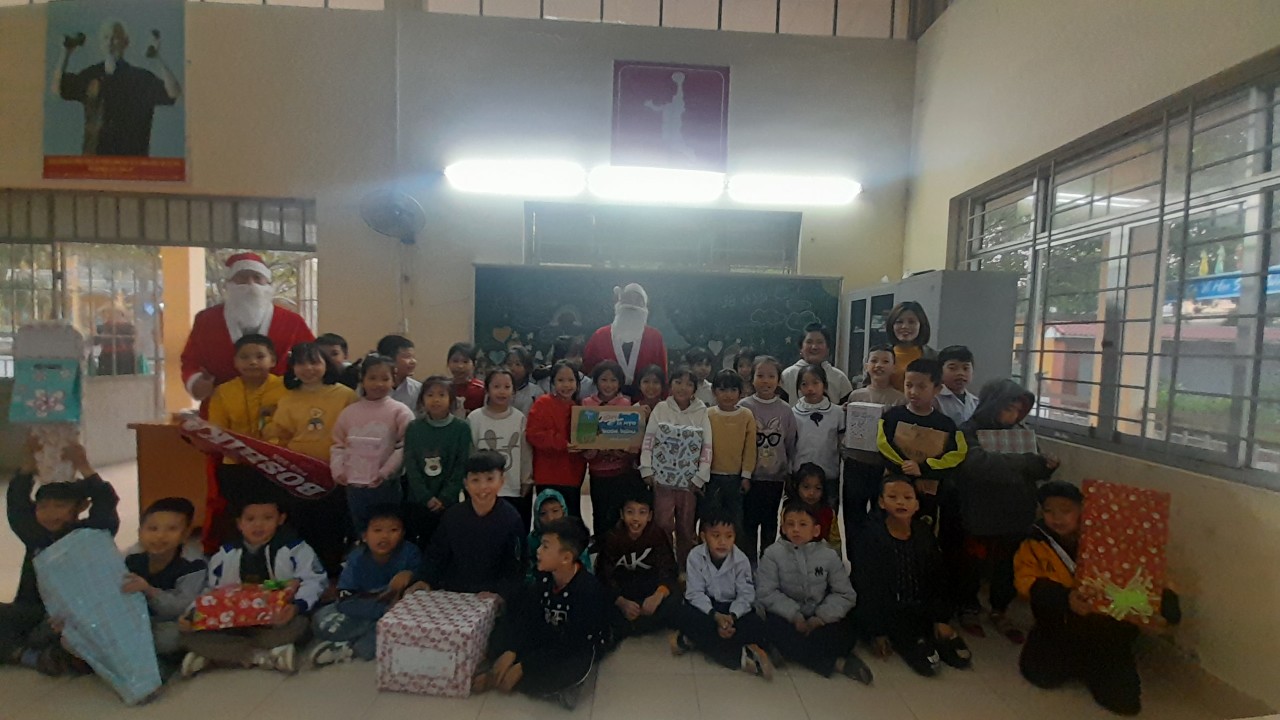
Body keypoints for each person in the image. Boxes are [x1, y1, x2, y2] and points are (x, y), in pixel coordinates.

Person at [1015, 481, 1180, 715]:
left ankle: (1096, 666)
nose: (1057, 518)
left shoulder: (1113, 540)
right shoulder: (1035, 543)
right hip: (1060, 626)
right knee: (1039, 674)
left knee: (1126, 703)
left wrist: (1163, 601)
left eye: (1066, 510)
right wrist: (1065, 598)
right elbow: (1025, 582)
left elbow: (1146, 578)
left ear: (1083, 510)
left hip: (1105, 633)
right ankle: (1071, 660)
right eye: (1049, 511)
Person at [1, 440, 118, 675]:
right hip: (33, 610)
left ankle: (41, 653)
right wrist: (27, 465)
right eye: (43, 506)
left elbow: (106, 504)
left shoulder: (90, 534)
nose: (50, 514)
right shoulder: (36, 535)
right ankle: (30, 656)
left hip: (73, 617)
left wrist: (84, 466)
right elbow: (17, 504)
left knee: (83, 636)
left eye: (60, 505)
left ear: (81, 507)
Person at [956, 379, 1059, 642]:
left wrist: (1046, 466)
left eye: (1018, 410)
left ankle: (1000, 610)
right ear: (993, 405)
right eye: (1008, 408)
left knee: (1007, 567)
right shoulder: (969, 430)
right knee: (973, 565)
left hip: (1015, 514)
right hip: (980, 514)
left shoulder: (1021, 432)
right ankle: (968, 608)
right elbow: (977, 463)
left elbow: (1035, 468)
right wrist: (1023, 463)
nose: (1013, 415)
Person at [179, 494, 327, 677]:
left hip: (276, 620)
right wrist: (191, 613)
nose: (258, 525)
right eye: (250, 519)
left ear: (281, 519)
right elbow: (211, 590)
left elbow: (314, 580)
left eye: (267, 518)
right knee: (188, 634)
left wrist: (297, 606)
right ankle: (261, 654)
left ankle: (221, 655)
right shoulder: (226, 554)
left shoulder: (295, 549)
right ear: (239, 523)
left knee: (301, 625)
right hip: (232, 622)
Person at [480, 518, 609, 707]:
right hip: (546, 636)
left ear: (566, 558)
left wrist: (524, 667)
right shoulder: (544, 578)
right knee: (504, 628)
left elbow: (572, 644)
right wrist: (512, 651)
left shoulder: (587, 591)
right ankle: (503, 671)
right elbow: (528, 619)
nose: (538, 551)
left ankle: (507, 678)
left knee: (565, 670)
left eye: (546, 547)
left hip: (573, 646)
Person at [854, 476, 970, 677]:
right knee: (928, 664)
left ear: (916, 504)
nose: (901, 502)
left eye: (908, 498)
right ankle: (911, 639)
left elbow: (938, 578)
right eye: (893, 497)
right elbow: (866, 587)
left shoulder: (924, 533)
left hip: (921, 608)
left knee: (959, 657)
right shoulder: (871, 536)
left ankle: (931, 632)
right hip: (890, 612)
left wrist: (940, 618)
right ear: (881, 502)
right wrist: (877, 631)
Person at [877, 358, 968, 610]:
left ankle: (919, 593)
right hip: (893, 489)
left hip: (927, 496)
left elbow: (957, 455)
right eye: (909, 385)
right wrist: (904, 466)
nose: (913, 392)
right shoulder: (892, 416)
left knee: (922, 539)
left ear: (937, 388)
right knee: (888, 536)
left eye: (921, 386)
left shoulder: (945, 425)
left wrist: (924, 468)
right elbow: (883, 444)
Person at [263, 342, 357, 574]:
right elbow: (280, 436)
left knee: (334, 526)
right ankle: (305, 575)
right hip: (299, 476)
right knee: (303, 526)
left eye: (314, 362)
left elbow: (355, 432)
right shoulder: (288, 398)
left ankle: (332, 575)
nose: (308, 369)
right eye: (301, 363)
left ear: (326, 364)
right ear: (293, 368)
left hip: (336, 474)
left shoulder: (345, 395)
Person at [757, 502, 871, 682]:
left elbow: (845, 594)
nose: (796, 529)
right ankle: (836, 663)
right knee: (771, 628)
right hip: (787, 618)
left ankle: (795, 652)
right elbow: (766, 592)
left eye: (803, 524)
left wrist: (821, 617)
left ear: (816, 530)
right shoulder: (772, 554)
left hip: (819, 616)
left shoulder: (829, 555)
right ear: (783, 528)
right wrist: (794, 615)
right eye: (790, 524)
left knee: (847, 632)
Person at [180, 252, 314, 403]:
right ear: (229, 284)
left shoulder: (291, 321)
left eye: (257, 278)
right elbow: (190, 360)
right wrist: (195, 381)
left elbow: (312, 357)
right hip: (222, 404)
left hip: (280, 405)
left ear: (268, 284)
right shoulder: (207, 320)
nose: (251, 285)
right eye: (242, 278)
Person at [309, 505, 421, 667]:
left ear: (402, 534)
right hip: (365, 608)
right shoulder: (356, 558)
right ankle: (357, 637)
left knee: (396, 627)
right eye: (377, 530)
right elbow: (345, 599)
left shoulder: (410, 553)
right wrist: (380, 610)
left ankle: (349, 648)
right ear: (365, 536)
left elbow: (423, 583)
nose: (385, 536)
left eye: (393, 530)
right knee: (322, 620)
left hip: (397, 612)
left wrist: (411, 575)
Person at [52, 19, 181, 156]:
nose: (109, 42)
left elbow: (174, 93)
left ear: (126, 42)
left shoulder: (140, 78)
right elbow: (57, 89)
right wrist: (65, 53)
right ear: (100, 43)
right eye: (105, 37)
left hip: (131, 159)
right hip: (95, 159)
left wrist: (157, 57)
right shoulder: (91, 75)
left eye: (115, 38)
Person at [670, 508, 773, 680]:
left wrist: (732, 616)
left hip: (732, 609)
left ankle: (693, 640)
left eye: (728, 536)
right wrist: (715, 616)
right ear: (704, 537)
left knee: (757, 623)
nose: (722, 542)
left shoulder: (741, 560)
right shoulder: (695, 556)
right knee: (683, 614)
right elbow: (695, 593)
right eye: (716, 536)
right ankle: (739, 656)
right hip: (708, 608)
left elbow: (746, 594)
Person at [414, 451, 525, 601]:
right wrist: (424, 580)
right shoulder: (453, 516)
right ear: (466, 483)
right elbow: (436, 554)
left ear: (501, 481)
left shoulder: (511, 519)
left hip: (492, 596)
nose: (483, 487)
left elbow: (516, 566)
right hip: (454, 594)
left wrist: (501, 593)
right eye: (475, 480)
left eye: (490, 479)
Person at [207, 334, 287, 536]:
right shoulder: (223, 391)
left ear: (273, 360)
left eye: (260, 356)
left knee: (276, 515)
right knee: (240, 515)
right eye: (244, 357)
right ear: (235, 362)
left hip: (276, 466)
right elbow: (217, 431)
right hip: (235, 464)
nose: (252, 362)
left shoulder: (287, 388)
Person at [330, 354, 415, 532]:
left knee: (388, 526)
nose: (378, 384)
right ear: (362, 379)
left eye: (385, 378)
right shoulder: (349, 412)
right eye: (372, 378)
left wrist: (385, 472)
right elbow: (338, 444)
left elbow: (405, 446)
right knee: (361, 528)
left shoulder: (400, 411)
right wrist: (338, 470)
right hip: (354, 485)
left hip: (386, 485)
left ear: (393, 380)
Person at [639, 365, 712, 569]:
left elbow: (707, 445)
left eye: (689, 384)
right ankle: (664, 565)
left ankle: (684, 568)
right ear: (670, 385)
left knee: (686, 527)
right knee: (662, 523)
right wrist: (646, 468)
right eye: (678, 382)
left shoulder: (701, 411)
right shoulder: (661, 408)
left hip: (689, 482)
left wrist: (701, 476)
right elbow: (649, 440)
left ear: (695, 389)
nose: (682, 388)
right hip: (662, 481)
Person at [122, 497, 206, 665]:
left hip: (170, 622)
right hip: (136, 620)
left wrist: (150, 591)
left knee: (169, 636)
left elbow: (182, 607)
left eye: (172, 529)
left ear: (185, 535)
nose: (160, 536)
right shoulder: (131, 558)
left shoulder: (193, 565)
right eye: (152, 529)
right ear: (140, 532)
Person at [841, 344, 904, 565]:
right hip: (855, 463)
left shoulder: (900, 400)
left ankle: (878, 564)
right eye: (874, 360)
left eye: (885, 361)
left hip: (884, 467)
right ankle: (856, 564)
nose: (879, 365)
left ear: (894, 367)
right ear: (866, 365)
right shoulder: (856, 395)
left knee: (881, 516)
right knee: (853, 515)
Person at [737, 356, 796, 563]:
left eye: (771, 376)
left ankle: (768, 563)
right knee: (749, 523)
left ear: (779, 380)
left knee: (770, 522)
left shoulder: (786, 411)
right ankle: (748, 564)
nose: (765, 381)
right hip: (749, 477)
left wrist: (788, 471)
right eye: (760, 375)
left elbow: (790, 443)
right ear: (752, 378)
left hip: (775, 478)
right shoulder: (743, 406)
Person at [596, 491, 678, 640]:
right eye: (630, 512)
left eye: (642, 512)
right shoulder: (612, 537)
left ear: (650, 516)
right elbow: (604, 574)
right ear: (621, 514)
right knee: (599, 604)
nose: (635, 518)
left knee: (676, 599)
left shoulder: (657, 534)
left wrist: (658, 595)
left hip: (649, 586)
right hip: (623, 588)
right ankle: (639, 624)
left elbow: (668, 568)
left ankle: (635, 625)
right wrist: (620, 601)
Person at [402, 375, 471, 551]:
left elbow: (461, 465)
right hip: (418, 500)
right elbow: (411, 464)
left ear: (451, 399)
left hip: (448, 501)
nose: (436, 400)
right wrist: (425, 497)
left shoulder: (461, 428)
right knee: (421, 544)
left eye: (442, 394)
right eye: (430, 395)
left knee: (445, 543)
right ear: (422, 399)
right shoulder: (414, 428)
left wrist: (445, 497)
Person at [581, 360, 644, 541]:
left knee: (618, 513)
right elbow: (584, 439)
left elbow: (632, 440)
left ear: (620, 382)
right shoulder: (587, 404)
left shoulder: (626, 404)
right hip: (597, 472)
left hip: (620, 471)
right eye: (604, 380)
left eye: (613, 380)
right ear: (596, 381)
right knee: (599, 512)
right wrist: (595, 451)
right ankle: (601, 548)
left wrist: (622, 452)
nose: (608, 385)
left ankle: (618, 548)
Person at [470, 368, 533, 530]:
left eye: (507, 387)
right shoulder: (475, 418)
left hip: (513, 487)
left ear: (513, 391)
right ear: (487, 389)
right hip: (483, 489)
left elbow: (525, 452)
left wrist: (526, 480)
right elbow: (470, 453)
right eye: (496, 386)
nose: (502, 391)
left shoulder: (519, 418)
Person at [527, 360, 588, 520]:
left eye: (571, 380)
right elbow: (533, 434)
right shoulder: (543, 403)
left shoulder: (581, 408)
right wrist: (562, 444)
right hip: (547, 473)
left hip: (573, 474)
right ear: (553, 382)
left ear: (577, 382)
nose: (566, 385)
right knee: (548, 521)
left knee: (571, 519)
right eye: (561, 380)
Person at [582, 283, 668, 388]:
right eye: (628, 299)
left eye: (638, 300)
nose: (632, 304)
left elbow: (661, 373)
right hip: (607, 395)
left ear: (645, 307)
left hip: (645, 395)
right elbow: (588, 370)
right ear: (619, 303)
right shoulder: (600, 336)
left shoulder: (655, 337)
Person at [704, 369, 756, 535]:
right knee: (710, 519)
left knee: (736, 520)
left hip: (736, 478)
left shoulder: (746, 415)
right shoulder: (708, 414)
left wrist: (746, 475)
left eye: (733, 390)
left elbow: (750, 448)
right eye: (722, 389)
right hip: (711, 477)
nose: (728, 395)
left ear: (740, 392)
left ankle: (735, 551)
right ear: (714, 391)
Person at [790, 363, 843, 510]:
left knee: (827, 515)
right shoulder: (792, 414)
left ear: (824, 385)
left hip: (829, 475)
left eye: (815, 383)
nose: (810, 388)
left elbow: (841, 444)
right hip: (801, 475)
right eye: (804, 384)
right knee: (801, 515)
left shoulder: (837, 413)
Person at [780, 323, 853, 406]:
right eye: (809, 342)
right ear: (801, 348)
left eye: (820, 342)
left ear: (827, 349)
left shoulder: (839, 377)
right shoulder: (788, 375)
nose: (814, 347)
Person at [527, 489, 591, 583]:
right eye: (543, 513)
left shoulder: (574, 536)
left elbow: (586, 571)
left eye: (555, 511)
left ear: (563, 511)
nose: (550, 518)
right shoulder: (532, 539)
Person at [784, 464, 839, 549]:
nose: (811, 493)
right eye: (806, 487)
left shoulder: (829, 513)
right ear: (797, 486)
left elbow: (835, 542)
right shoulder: (789, 511)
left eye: (818, 488)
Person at [885, 302, 937, 392]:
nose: (905, 326)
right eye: (899, 322)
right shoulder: (880, 355)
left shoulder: (934, 357)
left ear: (921, 325)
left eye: (911, 322)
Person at [936, 345, 979, 426]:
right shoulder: (934, 399)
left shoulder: (976, 402)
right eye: (952, 368)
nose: (960, 373)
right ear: (940, 371)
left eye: (966, 368)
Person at [376, 335, 420, 413]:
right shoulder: (371, 388)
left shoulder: (418, 389)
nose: (413, 362)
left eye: (413, 357)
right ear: (390, 359)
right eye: (407, 357)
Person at [447, 342, 486, 415]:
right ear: (448, 363)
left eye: (465, 361)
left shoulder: (482, 389)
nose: (460, 366)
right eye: (455, 361)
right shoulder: (444, 387)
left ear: (474, 364)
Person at [505, 345, 545, 414]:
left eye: (518, 364)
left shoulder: (536, 392)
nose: (512, 368)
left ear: (527, 367)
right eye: (509, 364)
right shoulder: (497, 389)